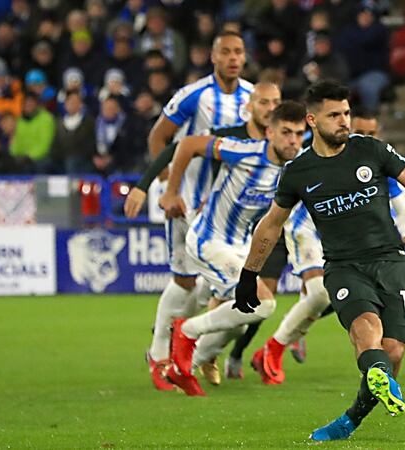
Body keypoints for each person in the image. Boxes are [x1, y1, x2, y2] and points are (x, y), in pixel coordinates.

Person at [226, 80, 405, 441]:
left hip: (390, 261)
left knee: (393, 352)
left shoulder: (371, 150)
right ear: (312, 120)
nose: (344, 121)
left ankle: (351, 418)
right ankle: (361, 395)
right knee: (365, 328)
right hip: (343, 267)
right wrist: (250, 274)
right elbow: (271, 225)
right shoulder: (299, 171)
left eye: (347, 113)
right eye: (335, 115)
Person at [247, 107, 405, 385]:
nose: (365, 137)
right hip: (306, 230)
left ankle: (282, 342)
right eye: (361, 131)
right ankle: (276, 346)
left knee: (332, 298)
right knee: (318, 294)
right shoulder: (319, 156)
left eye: (371, 133)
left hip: (350, 242)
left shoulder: (375, 160)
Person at [158, 101, 307, 396]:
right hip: (208, 240)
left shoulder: (299, 166)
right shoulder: (244, 151)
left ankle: (182, 366)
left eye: (299, 134)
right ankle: (186, 333)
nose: (292, 140)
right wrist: (172, 191)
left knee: (238, 321)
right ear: (269, 132)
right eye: (286, 132)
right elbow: (187, 144)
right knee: (263, 303)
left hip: (240, 248)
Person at [140, 31, 253, 392]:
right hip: (188, 201)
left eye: (238, 52)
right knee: (185, 280)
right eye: (226, 52)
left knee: (229, 287)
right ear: (213, 57)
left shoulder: (254, 99)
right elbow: (159, 138)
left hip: (229, 208)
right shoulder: (194, 96)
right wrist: (167, 186)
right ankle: (159, 355)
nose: (233, 58)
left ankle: (199, 350)